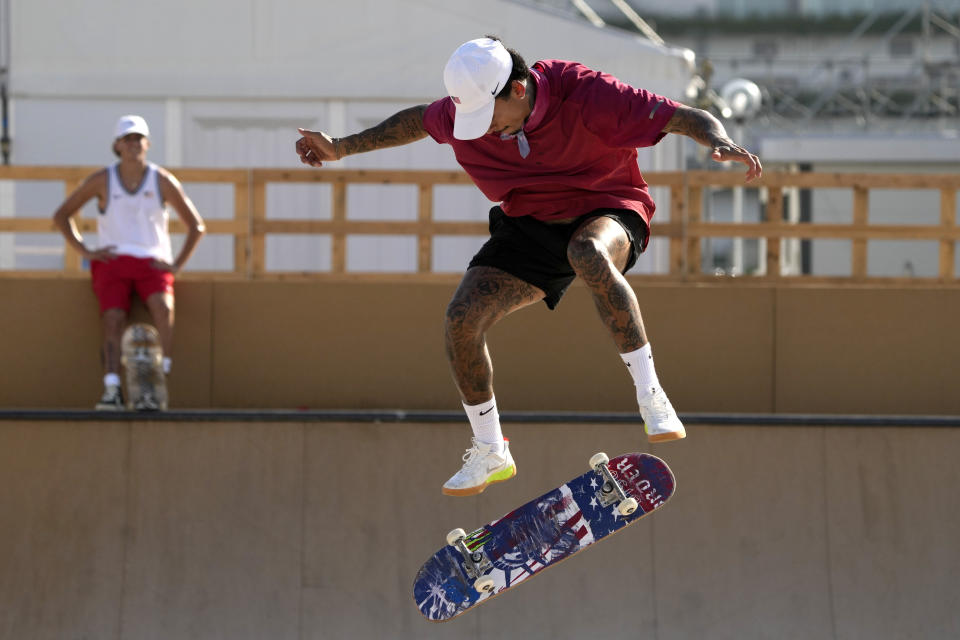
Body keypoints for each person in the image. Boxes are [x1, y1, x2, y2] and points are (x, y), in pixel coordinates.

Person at [295, 37, 762, 496]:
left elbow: (686, 116)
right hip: (530, 222)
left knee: (588, 254)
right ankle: (490, 449)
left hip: (609, 209)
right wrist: (340, 146)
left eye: (490, 117)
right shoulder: (461, 114)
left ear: (519, 89)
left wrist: (719, 142)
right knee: (462, 318)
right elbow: (416, 122)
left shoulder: (587, 93)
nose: (483, 130)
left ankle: (651, 394)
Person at [53, 115, 206, 410]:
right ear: (117, 145)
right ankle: (112, 388)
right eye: (128, 139)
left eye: (138, 138)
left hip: (152, 261)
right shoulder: (103, 179)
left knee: (164, 308)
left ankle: (157, 382)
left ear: (147, 144)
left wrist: (176, 265)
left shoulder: (161, 179)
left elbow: (196, 225)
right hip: (113, 260)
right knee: (112, 318)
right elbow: (62, 215)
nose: (133, 144)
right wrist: (85, 251)